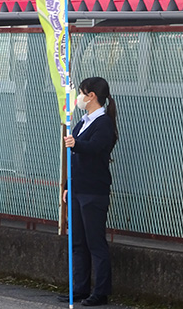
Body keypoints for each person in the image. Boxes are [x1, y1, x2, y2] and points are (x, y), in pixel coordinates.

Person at [59, 77, 118, 307]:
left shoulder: (103, 123)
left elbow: (95, 148)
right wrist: (67, 186)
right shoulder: (83, 121)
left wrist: (76, 144)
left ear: (91, 95)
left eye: (82, 93)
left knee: (95, 242)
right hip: (77, 189)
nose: (79, 98)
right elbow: (74, 158)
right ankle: (80, 289)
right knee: (77, 242)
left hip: (93, 191)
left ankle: (100, 292)